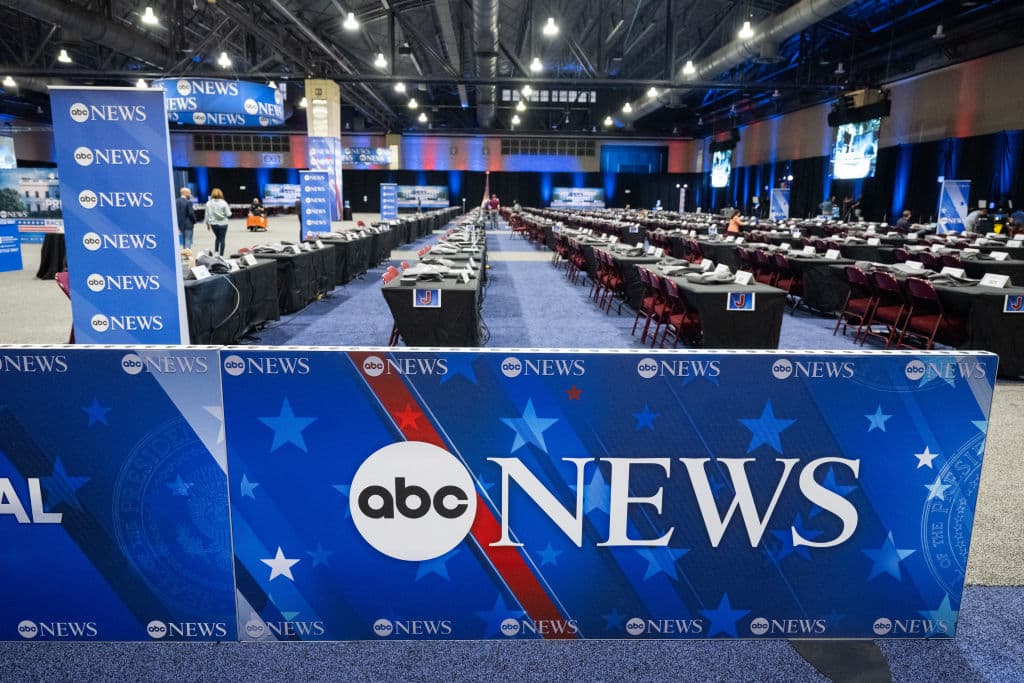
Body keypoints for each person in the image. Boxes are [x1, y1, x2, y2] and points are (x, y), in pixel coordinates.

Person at [205, 188, 231, 256]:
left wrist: (207, 224)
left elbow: (206, 215)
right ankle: (221, 255)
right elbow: (228, 214)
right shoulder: (224, 202)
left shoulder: (208, 203)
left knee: (217, 238)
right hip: (223, 223)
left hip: (213, 224)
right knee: (222, 239)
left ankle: (216, 252)